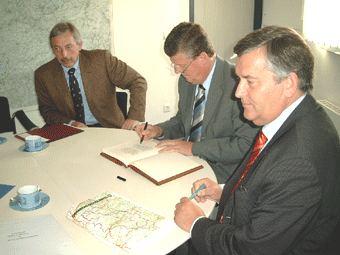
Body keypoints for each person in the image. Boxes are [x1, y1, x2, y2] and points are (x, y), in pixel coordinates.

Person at [174, 25, 340, 254]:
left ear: (289, 84)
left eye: (249, 81)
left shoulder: (298, 162)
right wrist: (224, 191)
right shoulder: (296, 119)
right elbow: (270, 197)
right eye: (239, 79)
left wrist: (196, 224)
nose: (238, 92)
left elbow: (250, 249)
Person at [135, 22, 259, 183]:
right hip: (187, 164)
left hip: (222, 174)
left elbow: (246, 145)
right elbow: (183, 121)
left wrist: (194, 148)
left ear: (202, 57)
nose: (176, 71)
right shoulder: (186, 81)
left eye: (181, 66)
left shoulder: (239, 83)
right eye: (174, 65)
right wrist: (158, 130)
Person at [35, 22, 147, 129]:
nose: (64, 55)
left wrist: (134, 116)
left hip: (107, 128)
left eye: (69, 47)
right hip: (71, 131)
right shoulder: (44, 74)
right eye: (57, 48)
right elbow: (47, 110)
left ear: (79, 45)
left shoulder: (101, 59)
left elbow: (137, 81)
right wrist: (71, 123)